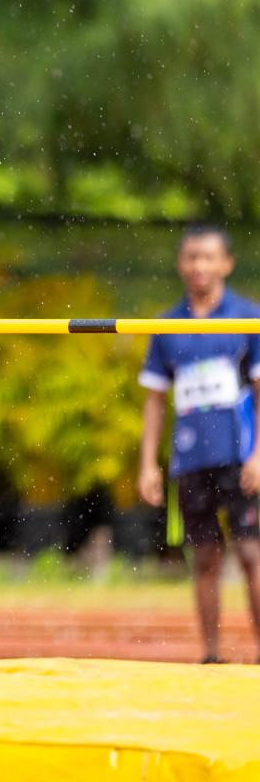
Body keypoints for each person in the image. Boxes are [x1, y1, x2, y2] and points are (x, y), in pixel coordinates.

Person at [137, 224, 260, 663]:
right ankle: (211, 656)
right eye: (191, 257)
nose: (199, 266)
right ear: (180, 264)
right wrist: (148, 463)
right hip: (191, 458)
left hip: (240, 455)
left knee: (251, 553)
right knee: (204, 557)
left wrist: (258, 454)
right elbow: (155, 399)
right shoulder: (167, 325)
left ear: (226, 263)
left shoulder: (247, 317)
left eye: (208, 257)